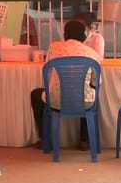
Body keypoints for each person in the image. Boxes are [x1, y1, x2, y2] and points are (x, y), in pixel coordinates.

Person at [29, 19, 101, 150]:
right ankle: (85, 140)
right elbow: (96, 82)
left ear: (65, 35)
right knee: (92, 93)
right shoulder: (92, 54)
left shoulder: (54, 47)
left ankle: (45, 139)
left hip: (56, 100)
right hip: (84, 102)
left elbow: (48, 70)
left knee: (35, 94)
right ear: (84, 36)